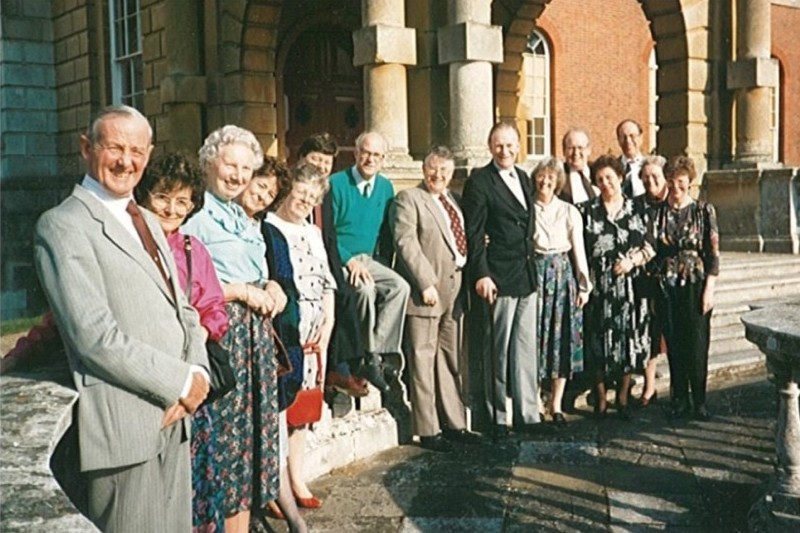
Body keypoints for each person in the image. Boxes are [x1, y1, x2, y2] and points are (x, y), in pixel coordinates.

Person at [33, 105, 210, 533]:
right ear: (86, 148)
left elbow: (183, 309)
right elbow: (94, 338)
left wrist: (198, 375)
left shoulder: (148, 219)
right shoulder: (62, 226)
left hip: (176, 420)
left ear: (148, 155)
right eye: (114, 147)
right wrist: (180, 384)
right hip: (124, 429)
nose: (125, 161)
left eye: (136, 150)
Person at [182, 126, 292, 533]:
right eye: (231, 164)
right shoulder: (195, 215)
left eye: (247, 168)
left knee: (248, 452)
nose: (238, 175)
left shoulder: (244, 217)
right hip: (223, 341)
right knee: (224, 454)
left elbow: (258, 269)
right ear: (209, 161)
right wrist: (241, 291)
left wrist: (272, 285)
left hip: (255, 345)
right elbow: (186, 287)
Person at [134, 153, 228, 533]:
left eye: (183, 200)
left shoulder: (192, 249)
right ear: (144, 196)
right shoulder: (129, 245)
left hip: (191, 388)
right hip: (143, 382)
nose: (172, 209)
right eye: (162, 197)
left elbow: (215, 311)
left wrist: (195, 344)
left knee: (193, 496)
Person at [233, 157, 309, 531]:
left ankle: (291, 517)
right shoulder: (222, 224)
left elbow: (288, 285)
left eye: (269, 193)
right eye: (259, 186)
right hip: (234, 346)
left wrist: (278, 290)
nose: (261, 195)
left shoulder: (271, 234)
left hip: (269, 349)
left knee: (270, 441)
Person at [393, 145, 483, 452]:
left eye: (444, 170)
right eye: (433, 169)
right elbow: (406, 243)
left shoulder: (453, 201)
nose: (438, 175)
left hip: (455, 292)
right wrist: (425, 282)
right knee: (422, 358)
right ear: (423, 169)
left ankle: (455, 424)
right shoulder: (409, 199)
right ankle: (428, 429)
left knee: (449, 358)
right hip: (427, 293)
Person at [261, 162, 337, 511]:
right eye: (300, 192)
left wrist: (328, 324)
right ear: (288, 190)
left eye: (312, 195)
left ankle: (297, 477)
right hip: (286, 333)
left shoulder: (313, 231)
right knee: (280, 410)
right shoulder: (270, 228)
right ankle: (277, 488)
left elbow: (326, 281)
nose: (305, 200)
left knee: (304, 411)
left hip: (313, 336)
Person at [462, 122, 540, 436]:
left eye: (509, 145)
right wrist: (481, 273)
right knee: (497, 350)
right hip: (498, 276)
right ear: (489, 146)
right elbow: (474, 232)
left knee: (524, 349)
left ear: (518, 146)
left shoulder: (523, 177)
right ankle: (495, 418)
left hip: (525, 275)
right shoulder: (480, 181)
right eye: (498, 145)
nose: (504, 151)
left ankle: (528, 415)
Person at [329, 131, 410, 393]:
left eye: (376, 155)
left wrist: (380, 263)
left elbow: (385, 233)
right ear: (355, 153)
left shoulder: (385, 187)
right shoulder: (336, 184)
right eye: (365, 152)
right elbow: (327, 232)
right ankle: (365, 353)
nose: (370, 159)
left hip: (369, 259)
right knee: (364, 289)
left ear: (383, 158)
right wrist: (348, 260)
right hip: (341, 256)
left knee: (400, 287)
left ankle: (378, 354)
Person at [297, 133, 369, 398]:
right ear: (302, 159)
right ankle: (337, 370)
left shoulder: (325, 193)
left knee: (347, 293)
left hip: (324, 263)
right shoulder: (292, 189)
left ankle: (347, 367)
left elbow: (330, 237)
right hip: (300, 266)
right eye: (316, 159)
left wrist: (337, 271)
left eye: (327, 162)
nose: (321, 166)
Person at [582, 155, 654, 420]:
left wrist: (631, 261)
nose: (605, 183)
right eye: (600, 180)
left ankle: (622, 397)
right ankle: (600, 400)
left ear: (620, 178)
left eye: (609, 178)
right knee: (597, 342)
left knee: (626, 341)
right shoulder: (586, 210)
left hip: (630, 288)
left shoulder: (637, 209)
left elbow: (650, 246)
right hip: (598, 288)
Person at [650, 155, 719, 421]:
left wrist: (709, 288)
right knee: (675, 343)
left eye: (682, 183)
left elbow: (713, 253)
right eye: (672, 182)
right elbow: (654, 252)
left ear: (689, 183)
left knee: (697, 342)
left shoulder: (703, 211)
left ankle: (699, 400)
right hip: (667, 285)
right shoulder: (659, 213)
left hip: (695, 283)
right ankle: (679, 398)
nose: (676, 188)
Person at [530, 156, 592, 427]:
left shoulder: (568, 211)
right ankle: (534, 401)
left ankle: (555, 404)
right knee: (534, 339)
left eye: (551, 178)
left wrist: (584, 285)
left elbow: (578, 249)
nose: (545, 182)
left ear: (558, 183)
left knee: (561, 339)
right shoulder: (527, 208)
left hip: (562, 275)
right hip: (535, 275)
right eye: (541, 177)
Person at [637, 155, 669, 408]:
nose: (650, 181)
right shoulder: (637, 204)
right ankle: (649, 387)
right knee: (649, 334)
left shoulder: (675, 203)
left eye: (655, 176)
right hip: (646, 278)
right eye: (646, 177)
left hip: (673, 279)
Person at [559, 128, 598, 206]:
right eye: (571, 148)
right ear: (564, 151)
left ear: (589, 150)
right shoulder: (558, 176)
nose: (576, 153)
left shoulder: (598, 173)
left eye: (580, 148)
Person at [616, 119, 646, 199]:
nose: (628, 141)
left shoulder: (650, 166)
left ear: (641, 138)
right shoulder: (614, 168)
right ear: (618, 140)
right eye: (623, 137)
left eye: (632, 136)